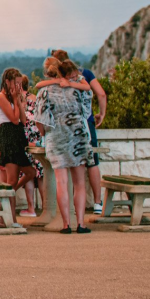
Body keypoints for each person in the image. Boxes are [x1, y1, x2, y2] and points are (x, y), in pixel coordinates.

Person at [34, 58, 92, 234]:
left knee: (61, 182)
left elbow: (40, 119)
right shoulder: (78, 88)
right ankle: (80, 223)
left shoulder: (45, 91)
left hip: (57, 136)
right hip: (78, 135)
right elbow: (87, 111)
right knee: (80, 183)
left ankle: (66, 224)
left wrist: (44, 134)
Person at [50, 49, 106, 212]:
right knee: (92, 161)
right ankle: (97, 202)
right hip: (87, 123)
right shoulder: (86, 74)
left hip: (65, 126)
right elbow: (101, 94)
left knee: (66, 166)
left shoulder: (59, 80)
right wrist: (101, 114)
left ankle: (69, 209)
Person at [0, 69, 35, 225]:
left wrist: (18, 101)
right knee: (11, 179)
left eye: (20, 83)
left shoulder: (14, 98)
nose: (19, 86)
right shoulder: (0, 97)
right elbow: (14, 119)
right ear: (8, 81)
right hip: (8, 136)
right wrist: (17, 100)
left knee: (30, 172)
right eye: (16, 83)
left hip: (18, 137)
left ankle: (7, 196)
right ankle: (8, 219)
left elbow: (24, 120)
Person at [19, 76, 46, 217]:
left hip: (24, 138)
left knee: (28, 173)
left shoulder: (17, 99)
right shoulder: (35, 98)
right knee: (40, 174)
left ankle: (31, 209)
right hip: (37, 137)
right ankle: (46, 207)